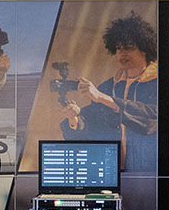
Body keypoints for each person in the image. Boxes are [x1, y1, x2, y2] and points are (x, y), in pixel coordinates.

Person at [61, 13, 159, 173]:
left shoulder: (157, 83)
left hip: (150, 173)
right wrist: (74, 118)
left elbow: (152, 119)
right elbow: (92, 125)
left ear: (144, 48)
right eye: (118, 48)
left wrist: (102, 98)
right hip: (113, 174)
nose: (122, 53)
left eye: (129, 47)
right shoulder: (108, 87)